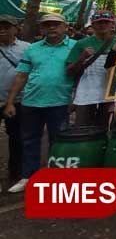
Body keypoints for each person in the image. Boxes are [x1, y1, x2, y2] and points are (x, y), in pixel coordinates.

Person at [4, 13, 76, 193]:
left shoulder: (75, 47)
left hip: (60, 101)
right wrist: (11, 102)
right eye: (47, 25)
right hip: (31, 101)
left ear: (65, 27)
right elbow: (21, 75)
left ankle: (55, 177)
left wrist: (73, 99)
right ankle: (29, 176)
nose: (51, 28)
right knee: (29, 140)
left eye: (56, 24)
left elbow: (80, 75)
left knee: (58, 141)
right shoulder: (32, 48)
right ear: (41, 29)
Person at [66, 10, 116, 128]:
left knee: (104, 129)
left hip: (110, 94)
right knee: (82, 129)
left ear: (112, 24)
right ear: (93, 25)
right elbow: (69, 71)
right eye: (99, 22)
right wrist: (82, 57)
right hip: (86, 94)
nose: (102, 25)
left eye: (106, 22)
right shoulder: (81, 44)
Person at [0, 15, 29, 188]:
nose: (2, 30)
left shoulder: (27, 48)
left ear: (16, 28)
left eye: (6, 26)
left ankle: (15, 174)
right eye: (0, 27)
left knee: (16, 138)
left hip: (18, 100)